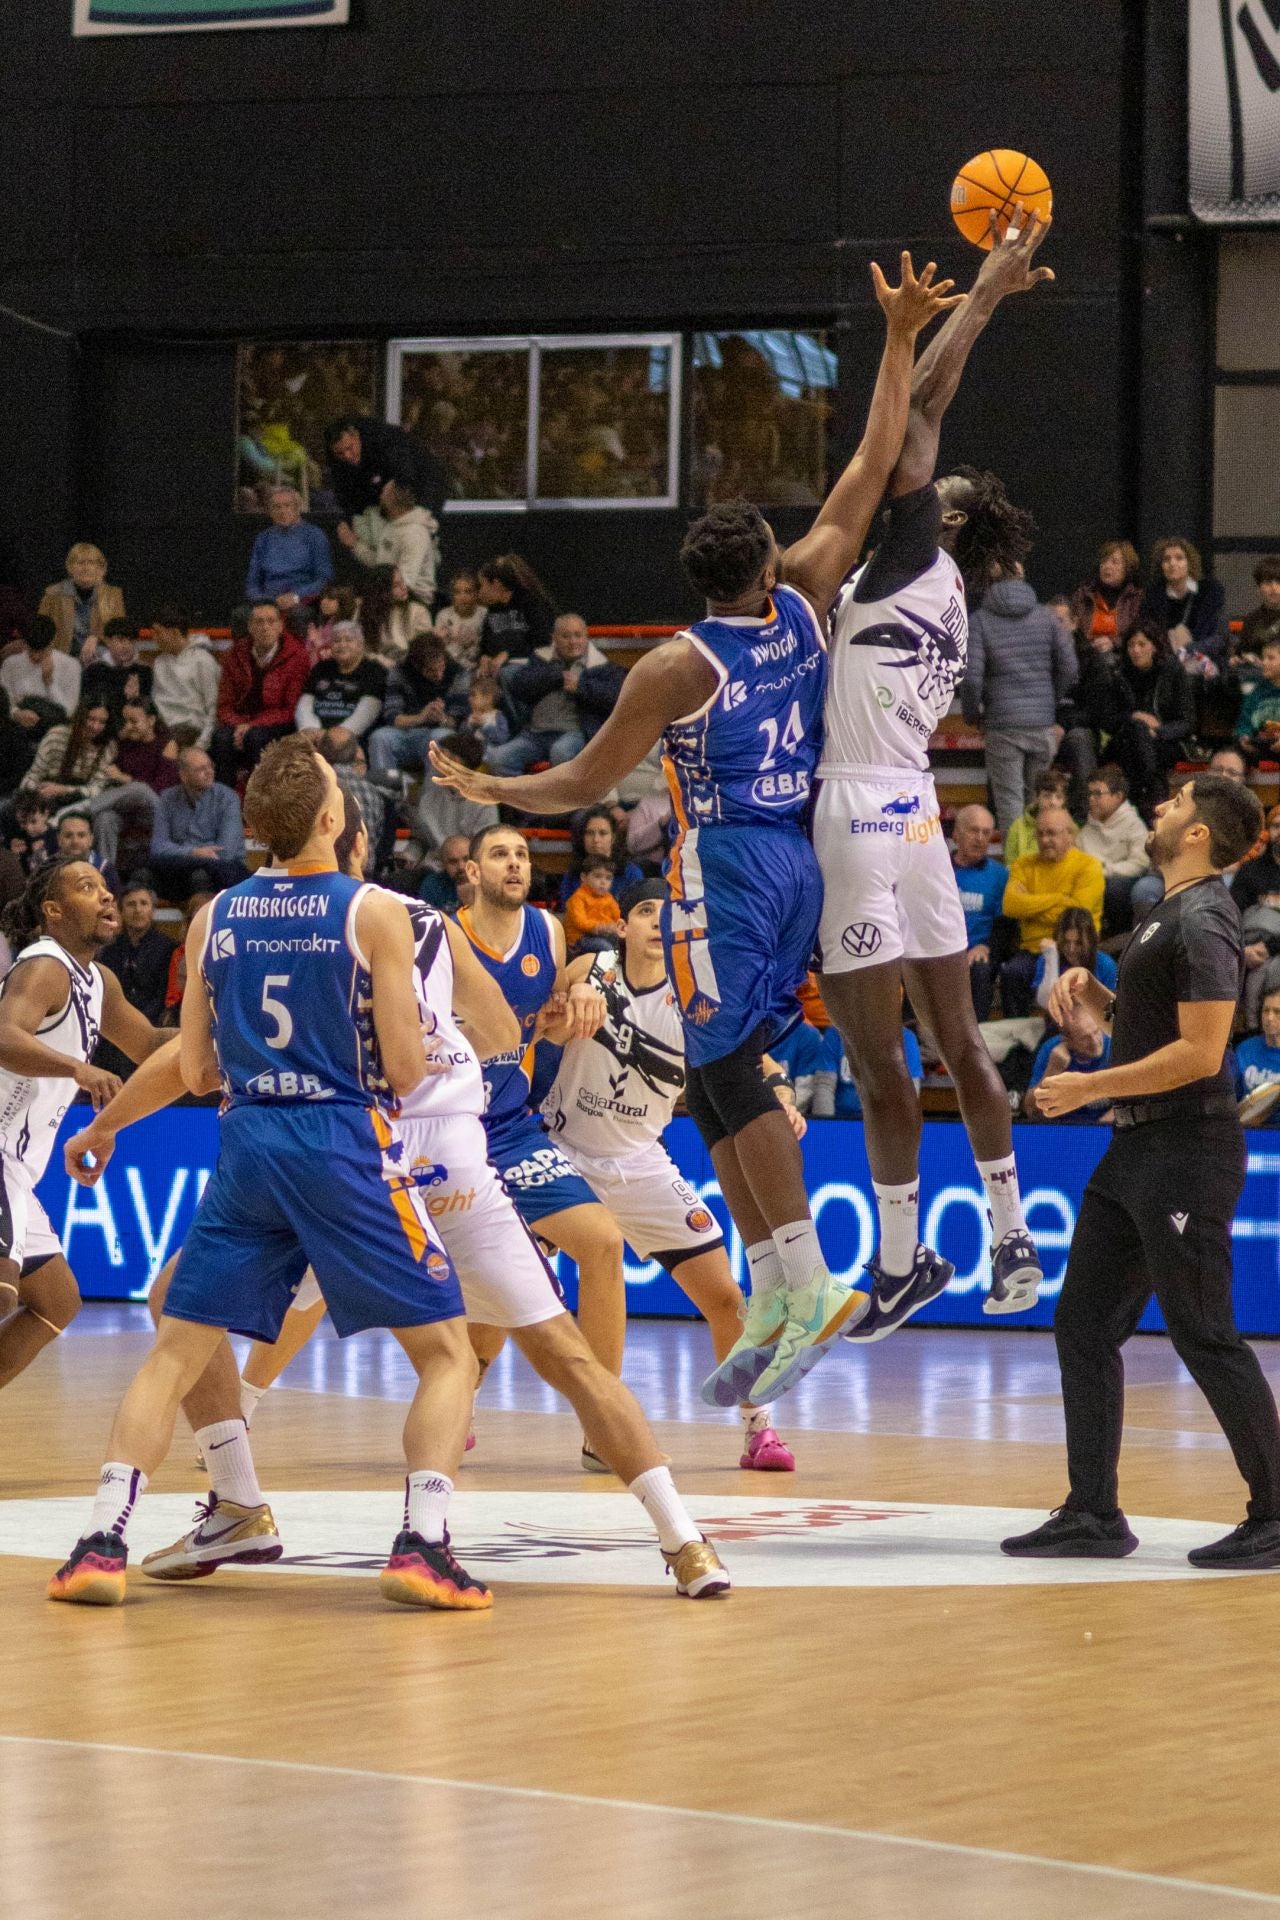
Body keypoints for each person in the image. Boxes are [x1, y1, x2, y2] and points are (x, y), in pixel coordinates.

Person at [433, 253, 960, 1403]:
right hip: (801, 854)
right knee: (713, 1073)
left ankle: (805, 1278)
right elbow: (875, 457)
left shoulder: (680, 662)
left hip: (727, 865)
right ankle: (774, 1286)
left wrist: (493, 790)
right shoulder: (809, 592)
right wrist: (894, 336)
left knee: (723, 1066)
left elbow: (578, 783)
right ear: (767, 563)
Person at [63, 793, 731, 1601]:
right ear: (349, 837)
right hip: (427, 1156)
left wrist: (110, 1126)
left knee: (199, 1315)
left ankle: (281, 1506)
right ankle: (681, 1540)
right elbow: (494, 1038)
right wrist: (540, 1020)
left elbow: (194, 1067)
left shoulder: (253, 920)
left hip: (353, 1161)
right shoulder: (413, 921)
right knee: (553, 1355)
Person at [46, 739, 491, 1611]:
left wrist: (109, 1120)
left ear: (252, 828)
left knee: (175, 1342)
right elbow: (405, 1071)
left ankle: (101, 1541)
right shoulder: (375, 913)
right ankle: (424, 1544)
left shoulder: (213, 916)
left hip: (248, 1141)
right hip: (345, 1143)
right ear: (334, 820)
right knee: (447, 1354)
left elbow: (199, 1068)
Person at [811, 215, 1054, 1332]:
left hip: (860, 811)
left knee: (877, 1060)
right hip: (913, 811)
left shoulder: (913, 553)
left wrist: (982, 299)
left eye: (926, 487)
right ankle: (1008, 1241)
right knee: (955, 1043)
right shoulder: (947, 597)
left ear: (942, 517)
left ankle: (904, 1255)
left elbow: (916, 410)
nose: (910, 481)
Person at [1004, 773, 1280, 1570]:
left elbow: (1201, 1054)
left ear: (1198, 834)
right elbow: (1167, 1027)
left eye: (1176, 803)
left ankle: (1273, 1512)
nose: (1161, 808)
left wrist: (1089, 1085)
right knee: (1084, 1324)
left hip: (1186, 1153)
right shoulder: (1167, 913)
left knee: (1205, 1334)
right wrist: (1103, 997)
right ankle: (1092, 1511)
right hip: (1137, 1154)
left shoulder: (1205, 916)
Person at [545, 879, 801, 1469]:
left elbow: (759, 1063)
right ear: (625, 926)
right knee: (511, 1295)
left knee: (725, 1297)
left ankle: (758, 1425)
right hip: (562, 1154)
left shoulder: (696, 1001)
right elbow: (548, 1015)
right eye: (644, 912)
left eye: (669, 916)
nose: (657, 924)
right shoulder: (595, 964)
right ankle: (511, 1416)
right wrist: (572, 997)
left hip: (639, 1162)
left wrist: (780, 1096)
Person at [452, 824, 649, 1458]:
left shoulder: (548, 932)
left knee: (601, 1243)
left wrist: (581, 998)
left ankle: (602, 1428)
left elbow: (552, 1031)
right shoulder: (444, 937)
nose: (514, 863)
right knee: (493, 1291)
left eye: (521, 854)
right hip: (448, 1131)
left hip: (512, 1130)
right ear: (473, 872)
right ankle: (457, 1401)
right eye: (499, 855)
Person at [0, 856, 167, 1407]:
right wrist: (78, 1068)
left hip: (18, 1168)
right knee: (2, 1294)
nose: (105, 896)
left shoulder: (98, 981)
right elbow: (4, 1036)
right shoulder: (45, 965)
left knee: (57, 1301)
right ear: (53, 910)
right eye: (85, 887)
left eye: (104, 887)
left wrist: (227, 1032)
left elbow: (146, 1048)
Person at [961, 568, 1076, 838]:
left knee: (1010, 802)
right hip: (1041, 723)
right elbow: (1069, 667)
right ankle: (1042, 870)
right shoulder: (1046, 618)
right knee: (1040, 803)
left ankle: (1017, 872)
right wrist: (1050, 699)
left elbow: (972, 679)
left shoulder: (980, 621)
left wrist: (971, 713)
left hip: (1003, 725)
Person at [490, 614, 625, 777]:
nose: (573, 642)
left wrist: (581, 687)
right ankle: (523, 801)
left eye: (578, 635)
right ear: (554, 638)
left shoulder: (602, 666)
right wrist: (554, 675)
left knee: (561, 752)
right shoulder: (541, 658)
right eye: (566, 636)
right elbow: (519, 687)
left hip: (574, 734)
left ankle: (562, 803)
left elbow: (616, 698)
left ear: (586, 636)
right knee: (498, 758)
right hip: (534, 734)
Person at [1000, 807, 1104, 1015]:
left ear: (1069, 835)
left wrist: (1029, 905)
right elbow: (1011, 905)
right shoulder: (1024, 864)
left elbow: (1077, 916)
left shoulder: (1088, 866)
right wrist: (1059, 899)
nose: (1045, 839)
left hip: (1074, 950)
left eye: (1052, 833)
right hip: (1034, 949)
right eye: (1040, 833)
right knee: (1012, 972)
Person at [212, 601, 310, 789]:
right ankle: (225, 800)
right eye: (259, 622)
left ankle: (261, 797)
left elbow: (291, 709)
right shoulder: (235, 654)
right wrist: (239, 724)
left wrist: (252, 725)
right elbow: (224, 704)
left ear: (281, 626)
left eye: (271, 621)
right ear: (249, 627)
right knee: (221, 738)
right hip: (241, 721)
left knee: (255, 738)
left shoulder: (297, 655)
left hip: (278, 723)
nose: (265, 627)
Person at [1108, 623, 1195, 819]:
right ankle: (1154, 801)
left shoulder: (1172, 671)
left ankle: (1137, 804)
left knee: (1142, 744)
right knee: (1137, 732)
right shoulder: (1120, 674)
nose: (1136, 650)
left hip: (1168, 741)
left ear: (1154, 646)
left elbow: (1187, 721)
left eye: (1142, 644)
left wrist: (1158, 731)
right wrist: (1134, 717)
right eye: (1131, 645)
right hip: (1128, 739)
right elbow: (1110, 717)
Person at [149, 746, 248, 900]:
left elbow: (224, 853)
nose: (209, 772)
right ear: (184, 776)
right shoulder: (167, 798)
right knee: (143, 874)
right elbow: (158, 846)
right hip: (179, 869)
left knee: (199, 876)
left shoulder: (228, 798)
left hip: (225, 871)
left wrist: (179, 851)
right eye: (201, 769)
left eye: (210, 766)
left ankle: (201, 923)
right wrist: (193, 852)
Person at [367, 636, 464, 781]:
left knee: (442, 737)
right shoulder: (400, 672)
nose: (439, 675)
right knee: (380, 737)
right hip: (406, 731)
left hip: (437, 730)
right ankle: (387, 792)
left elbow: (458, 721)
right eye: (431, 671)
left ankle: (431, 795)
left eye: (441, 667)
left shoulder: (457, 673)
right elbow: (393, 718)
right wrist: (421, 717)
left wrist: (442, 718)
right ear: (417, 667)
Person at [325, 415, 449, 526]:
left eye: (350, 448)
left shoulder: (385, 440)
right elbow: (346, 497)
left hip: (424, 482)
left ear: (357, 436)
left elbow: (406, 474)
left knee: (415, 530)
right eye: (340, 453)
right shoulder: (337, 462)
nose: (347, 455)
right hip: (384, 492)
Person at [338, 477, 439, 606]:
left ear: (393, 501)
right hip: (389, 595)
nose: (380, 498)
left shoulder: (415, 534)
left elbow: (406, 582)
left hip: (414, 602)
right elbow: (382, 565)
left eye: (383, 494)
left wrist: (371, 601)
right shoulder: (393, 526)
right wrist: (355, 545)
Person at [295, 619, 387, 756]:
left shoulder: (374, 670)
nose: (342, 645)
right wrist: (309, 728)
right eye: (337, 641)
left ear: (360, 645)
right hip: (315, 732)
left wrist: (336, 735)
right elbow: (305, 702)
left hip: (352, 735)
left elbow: (369, 710)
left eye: (349, 640)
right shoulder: (322, 668)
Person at [1077, 765, 1151, 931]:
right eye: (1089, 793)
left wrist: (1106, 871)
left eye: (1098, 794)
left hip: (1123, 884)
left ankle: (1119, 936)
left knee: (1115, 887)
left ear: (1118, 796)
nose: (1091, 799)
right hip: (1092, 883)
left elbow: (1140, 863)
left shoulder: (1134, 825)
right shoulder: (1085, 833)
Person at [243, 484, 334, 618]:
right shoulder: (263, 538)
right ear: (270, 511)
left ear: (297, 508)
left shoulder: (315, 535)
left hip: (302, 600)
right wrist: (263, 600)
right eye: (277, 507)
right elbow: (252, 582)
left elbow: (324, 578)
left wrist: (296, 596)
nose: (282, 511)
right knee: (241, 615)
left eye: (287, 505)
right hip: (268, 600)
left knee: (297, 615)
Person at [951, 803, 1006, 1021]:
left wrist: (986, 946)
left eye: (986, 833)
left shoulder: (1000, 875)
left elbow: (1004, 926)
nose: (980, 838)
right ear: (956, 834)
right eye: (974, 831)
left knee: (981, 968)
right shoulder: (938, 870)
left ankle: (980, 1032)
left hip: (979, 953)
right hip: (941, 951)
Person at [1140, 535, 1229, 669]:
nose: (1172, 563)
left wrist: (1186, 651)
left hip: (1203, 657)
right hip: (1165, 659)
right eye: (1166, 559)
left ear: (1189, 562)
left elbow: (1219, 638)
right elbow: (1146, 632)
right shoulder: (1153, 595)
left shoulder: (1210, 592)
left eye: (1179, 558)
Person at [19, 699, 117, 811]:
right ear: (80, 717)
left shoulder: (108, 747)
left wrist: (64, 790)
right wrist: (36, 790)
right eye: (91, 719)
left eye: (102, 722)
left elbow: (98, 789)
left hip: (78, 800)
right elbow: (33, 775)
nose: (95, 727)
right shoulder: (56, 735)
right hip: (43, 794)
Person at [96, 880, 171, 1025]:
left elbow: (162, 998)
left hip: (151, 1024)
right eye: (131, 904)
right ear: (121, 912)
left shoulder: (167, 948)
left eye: (144, 903)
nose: (138, 910)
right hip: (113, 1025)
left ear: (152, 910)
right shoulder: (109, 950)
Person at [1023, 999, 1112, 1120]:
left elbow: (1137, 1099)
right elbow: (1030, 1109)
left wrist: (1101, 1127)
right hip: (1065, 1128)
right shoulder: (1051, 1050)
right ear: (1067, 1041)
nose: (1095, 1042)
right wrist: (1053, 1069)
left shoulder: (1114, 1045)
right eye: (1084, 1038)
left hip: (1106, 1127)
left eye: (1096, 1031)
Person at [149, 607, 220, 752]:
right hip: (162, 727)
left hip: (191, 729)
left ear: (175, 632)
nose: (154, 638)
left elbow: (214, 709)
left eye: (158, 632)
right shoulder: (159, 662)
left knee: (165, 747)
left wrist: (201, 745)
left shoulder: (203, 661)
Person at [38, 543, 125, 658]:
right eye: (80, 563)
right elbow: (40, 629)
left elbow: (121, 631)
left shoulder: (113, 595)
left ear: (100, 568)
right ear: (70, 567)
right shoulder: (53, 594)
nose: (86, 568)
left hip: (100, 653)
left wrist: (96, 637)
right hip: (61, 654)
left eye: (91, 563)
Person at [474, 555, 557, 673]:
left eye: (482, 585)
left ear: (496, 584)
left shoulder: (532, 603)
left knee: (507, 674)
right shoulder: (493, 609)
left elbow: (542, 640)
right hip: (499, 667)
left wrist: (508, 654)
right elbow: (486, 642)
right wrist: (485, 656)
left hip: (532, 665)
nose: (480, 592)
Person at [1, 616, 81, 733]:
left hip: (53, 730)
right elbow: (4, 703)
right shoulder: (11, 664)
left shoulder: (71, 665)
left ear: (52, 642)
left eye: (41, 650)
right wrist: (16, 714)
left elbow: (69, 711)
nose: (36, 656)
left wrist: (49, 682)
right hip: (17, 730)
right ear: (25, 643)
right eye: (31, 650)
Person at [1032, 906, 1117, 1014]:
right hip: (1059, 1025)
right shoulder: (1047, 960)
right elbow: (1045, 1003)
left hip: (1097, 1026)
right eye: (1066, 942)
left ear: (1089, 942)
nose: (1071, 949)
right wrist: (1051, 961)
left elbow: (1113, 1009)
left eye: (1078, 943)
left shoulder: (1105, 964)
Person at [558, 808, 644, 910]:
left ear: (613, 838)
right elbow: (567, 911)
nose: (596, 840)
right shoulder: (573, 873)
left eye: (603, 833)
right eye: (589, 833)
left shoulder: (631, 873)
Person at [1069, 540, 1143, 651]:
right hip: (1086, 654)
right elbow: (1071, 628)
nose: (1107, 566)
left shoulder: (1136, 598)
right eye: (1104, 561)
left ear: (1128, 568)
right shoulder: (1083, 595)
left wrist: (1114, 643)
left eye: (1114, 562)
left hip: (1121, 655)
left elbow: (1141, 634)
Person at [80, 619, 152, 723]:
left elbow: (147, 710)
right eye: (121, 639)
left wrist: (135, 699)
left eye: (131, 640)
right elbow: (87, 706)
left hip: (131, 725)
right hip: (99, 725)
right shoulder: (94, 670)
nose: (126, 646)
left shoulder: (144, 671)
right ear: (108, 641)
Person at [1001, 767, 1072, 865]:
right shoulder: (1018, 827)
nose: (1053, 802)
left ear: (1064, 801)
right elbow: (1010, 866)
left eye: (1058, 797)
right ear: (1037, 797)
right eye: (1047, 796)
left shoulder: (1071, 828)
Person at [1235, 987, 1280, 1124]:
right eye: (1266, 1010)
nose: (1269, 1018)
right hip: (1249, 1131)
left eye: (1277, 1012)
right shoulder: (1244, 1049)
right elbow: (1232, 1097)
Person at [562, 855, 620, 954]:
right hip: (580, 938)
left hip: (602, 934)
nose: (603, 882)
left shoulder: (609, 898)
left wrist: (617, 926)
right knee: (605, 947)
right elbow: (579, 922)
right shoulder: (578, 897)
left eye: (608, 878)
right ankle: (609, 967)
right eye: (598, 876)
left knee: (623, 942)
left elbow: (617, 917)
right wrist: (597, 927)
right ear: (584, 877)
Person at [1235, 637, 1280, 762]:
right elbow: (1244, 720)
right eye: (1263, 658)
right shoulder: (1256, 692)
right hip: (1261, 746)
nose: (1264, 662)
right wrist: (1244, 737)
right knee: (1235, 751)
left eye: (1271, 658)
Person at [55, 810, 120, 897]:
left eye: (81, 835)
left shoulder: (105, 870)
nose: (75, 841)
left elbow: (114, 905)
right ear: (59, 840)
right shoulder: (47, 870)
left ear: (91, 839)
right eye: (68, 835)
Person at [435, 569, 486, 670]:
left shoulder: (484, 614)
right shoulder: (443, 616)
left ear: (476, 594)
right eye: (457, 592)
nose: (462, 597)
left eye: (468, 592)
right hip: (452, 667)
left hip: (479, 667)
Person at [1236, 556, 1280, 660]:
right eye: (1268, 582)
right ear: (1259, 588)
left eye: (1279, 582)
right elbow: (1240, 653)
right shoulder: (1251, 620)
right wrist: (1240, 659)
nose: (1274, 588)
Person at [417, 833, 470, 912]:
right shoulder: (432, 885)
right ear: (443, 864)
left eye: (466, 859)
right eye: (453, 862)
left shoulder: (487, 881)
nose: (461, 867)